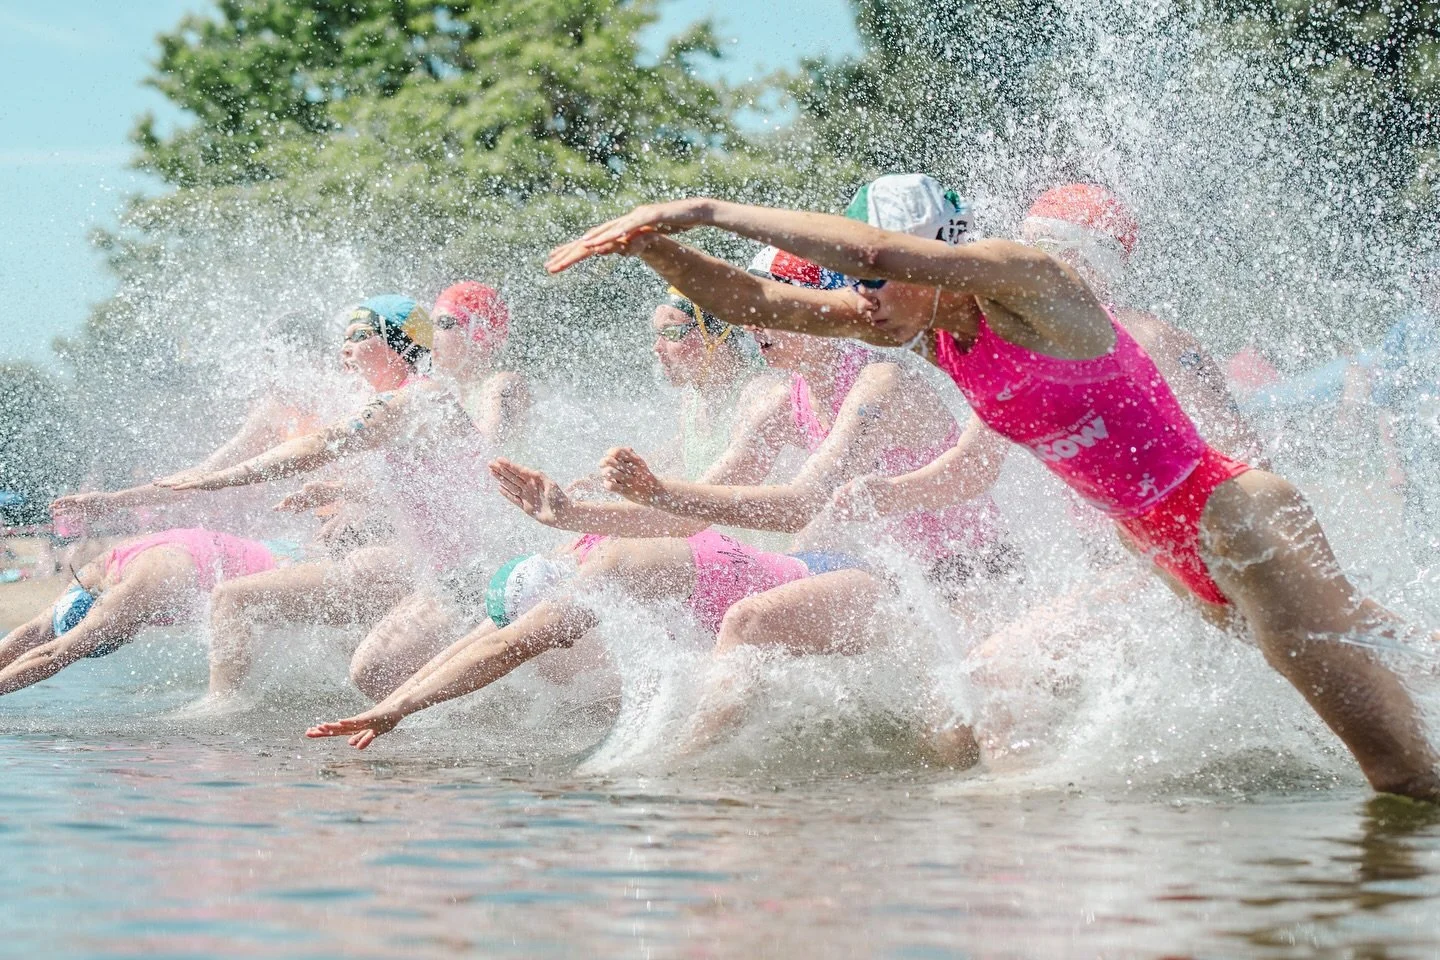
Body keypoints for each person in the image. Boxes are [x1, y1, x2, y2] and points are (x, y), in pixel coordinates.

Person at [539, 172, 1440, 800]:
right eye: (857, 285)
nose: (863, 296)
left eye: (877, 279)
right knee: (1377, 657)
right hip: (1163, 548)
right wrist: (653, 247)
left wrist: (705, 208)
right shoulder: (926, 332)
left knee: (1395, 771)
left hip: (1228, 515)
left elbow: (878, 247)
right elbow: (754, 303)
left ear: (932, 256)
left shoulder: (1035, 281)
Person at [161, 290, 527, 701]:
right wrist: (343, 491)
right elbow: (434, 486)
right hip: (434, 573)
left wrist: (226, 478)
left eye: (359, 335)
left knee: (373, 669)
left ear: (397, 344)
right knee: (360, 655)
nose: (345, 347)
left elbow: (324, 443)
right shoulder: (412, 399)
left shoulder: (419, 397)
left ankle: (472, 718)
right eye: (344, 337)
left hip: (472, 575)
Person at [0, 529, 286, 695]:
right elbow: (35, 631)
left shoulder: (130, 596)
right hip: (255, 555)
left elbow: (55, 655)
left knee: (225, 701)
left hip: (283, 566)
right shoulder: (95, 576)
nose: (128, 640)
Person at [1373, 261, 1440, 565]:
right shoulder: (1405, 332)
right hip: (1420, 452)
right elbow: (1385, 405)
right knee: (1423, 534)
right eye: (1430, 284)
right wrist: (1393, 464)